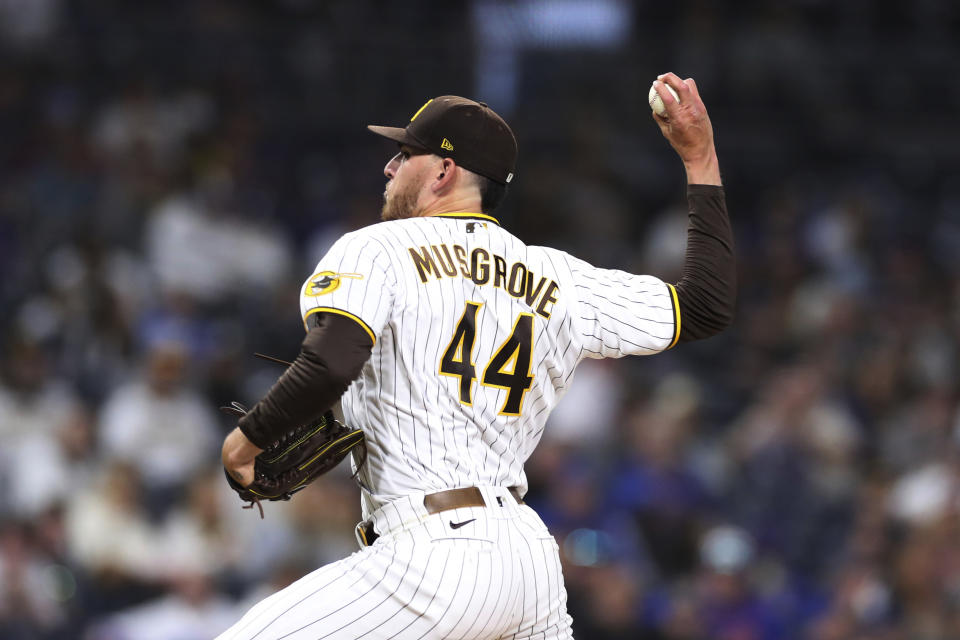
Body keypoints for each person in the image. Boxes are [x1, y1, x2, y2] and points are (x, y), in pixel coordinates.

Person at [218, 72, 735, 639]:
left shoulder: (378, 248)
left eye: (404, 154)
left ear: (444, 170)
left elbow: (331, 363)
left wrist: (246, 443)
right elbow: (705, 306)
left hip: (431, 559)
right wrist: (700, 156)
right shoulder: (558, 276)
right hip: (528, 561)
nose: (389, 168)